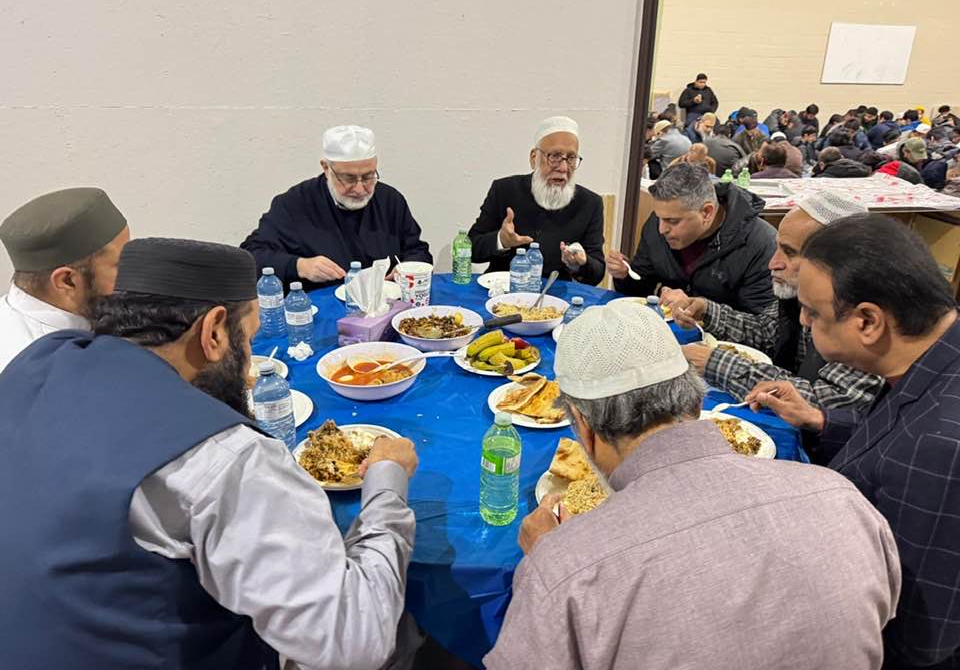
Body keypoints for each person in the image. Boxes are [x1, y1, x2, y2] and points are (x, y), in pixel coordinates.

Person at [0, 238, 420, 669]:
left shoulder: (38, 361)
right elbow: (354, 641)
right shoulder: (224, 454)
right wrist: (387, 479)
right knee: (398, 632)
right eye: (249, 339)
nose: (249, 368)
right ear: (214, 331)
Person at [484, 303, 901, 670]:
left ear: (582, 426)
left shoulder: (568, 567)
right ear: (697, 401)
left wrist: (550, 560)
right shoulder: (841, 497)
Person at [745, 214, 960, 669]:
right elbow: (893, 432)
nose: (804, 322)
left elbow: (919, 637)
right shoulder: (935, 354)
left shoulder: (938, 446)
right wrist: (822, 420)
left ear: (868, 321)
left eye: (814, 312)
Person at [673, 190, 883, 429]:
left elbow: (823, 404)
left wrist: (717, 363)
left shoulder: (865, 316)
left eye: (790, 252)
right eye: (778, 248)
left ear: (838, 263)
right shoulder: (800, 293)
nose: (773, 263)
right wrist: (709, 312)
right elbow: (768, 332)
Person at [241, 125, 432, 291]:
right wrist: (299, 266)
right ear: (326, 168)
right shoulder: (294, 204)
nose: (360, 189)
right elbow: (250, 257)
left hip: (387, 305)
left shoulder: (390, 200)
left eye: (368, 176)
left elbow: (418, 250)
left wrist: (408, 268)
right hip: (323, 310)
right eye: (348, 178)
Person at [606, 163, 776, 314]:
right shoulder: (657, 224)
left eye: (673, 221)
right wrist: (625, 275)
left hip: (717, 339)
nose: (662, 229)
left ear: (707, 212)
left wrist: (701, 309)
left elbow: (760, 328)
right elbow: (640, 290)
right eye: (659, 218)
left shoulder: (760, 244)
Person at [0, 187, 129, 372]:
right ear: (67, 281)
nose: (133, 272)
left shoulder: (98, 313)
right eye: (121, 263)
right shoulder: (25, 373)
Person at [468, 116, 606, 285]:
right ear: (534, 158)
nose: (563, 168)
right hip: (501, 290)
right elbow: (471, 248)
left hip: (554, 294)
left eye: (571, 158)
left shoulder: (590, 203)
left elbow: (597, 272)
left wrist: (580, 264)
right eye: (554, 156)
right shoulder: (504, 190)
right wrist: (501, 240)